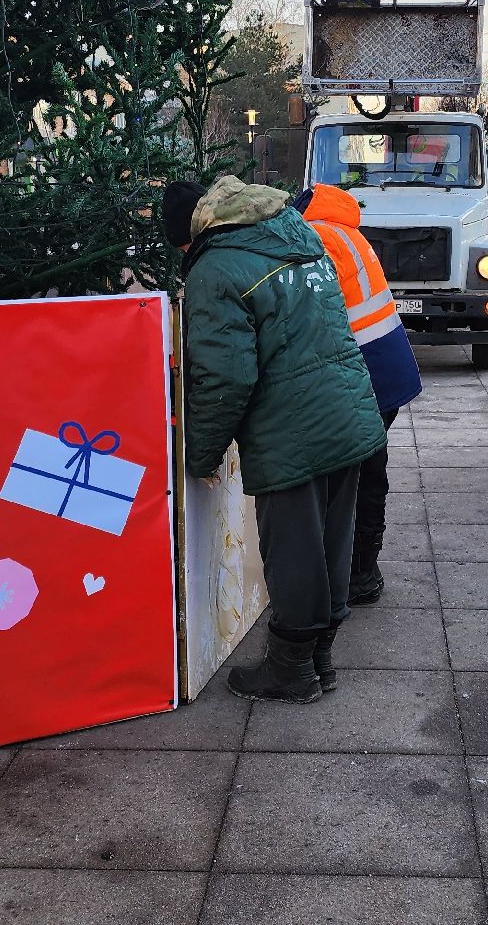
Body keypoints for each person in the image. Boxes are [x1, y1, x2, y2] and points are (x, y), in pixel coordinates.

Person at [166, 176, 387, 703]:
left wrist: (200, 455)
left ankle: (290, 670)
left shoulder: (216, 268)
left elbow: (224, 378)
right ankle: (319, 660)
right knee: (331, 542)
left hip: (291, 428)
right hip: (349, 410)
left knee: (292, 552)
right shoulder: (297, 235)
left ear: (191, 237)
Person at [297, 183, 422, 616]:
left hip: (363, 371)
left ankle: (357, 575)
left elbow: (316, 313)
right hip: (387, 363)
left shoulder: (316, 237)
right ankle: (363, 572)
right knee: (370, 469)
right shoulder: (345, 229)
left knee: (355, 476)